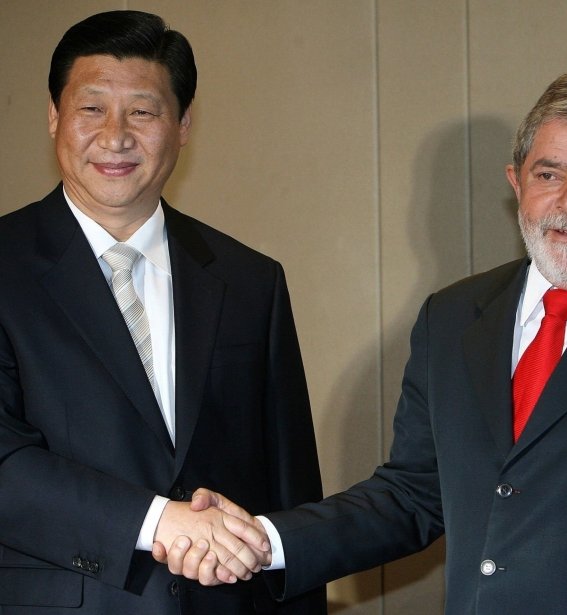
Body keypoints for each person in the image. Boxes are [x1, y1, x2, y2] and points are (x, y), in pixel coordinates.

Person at [159, 67, 567, 614]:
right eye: (550, 174)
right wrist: (267, 540)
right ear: (516, 183)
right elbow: (413, 495)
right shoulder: (453, 318)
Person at [0, 10, 326, 615]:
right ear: (53, 117)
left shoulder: (252, 281)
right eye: (91, 108)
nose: (116, 136)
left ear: (182, 127)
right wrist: (159, 523)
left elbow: (290, 490)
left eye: (143, 112)